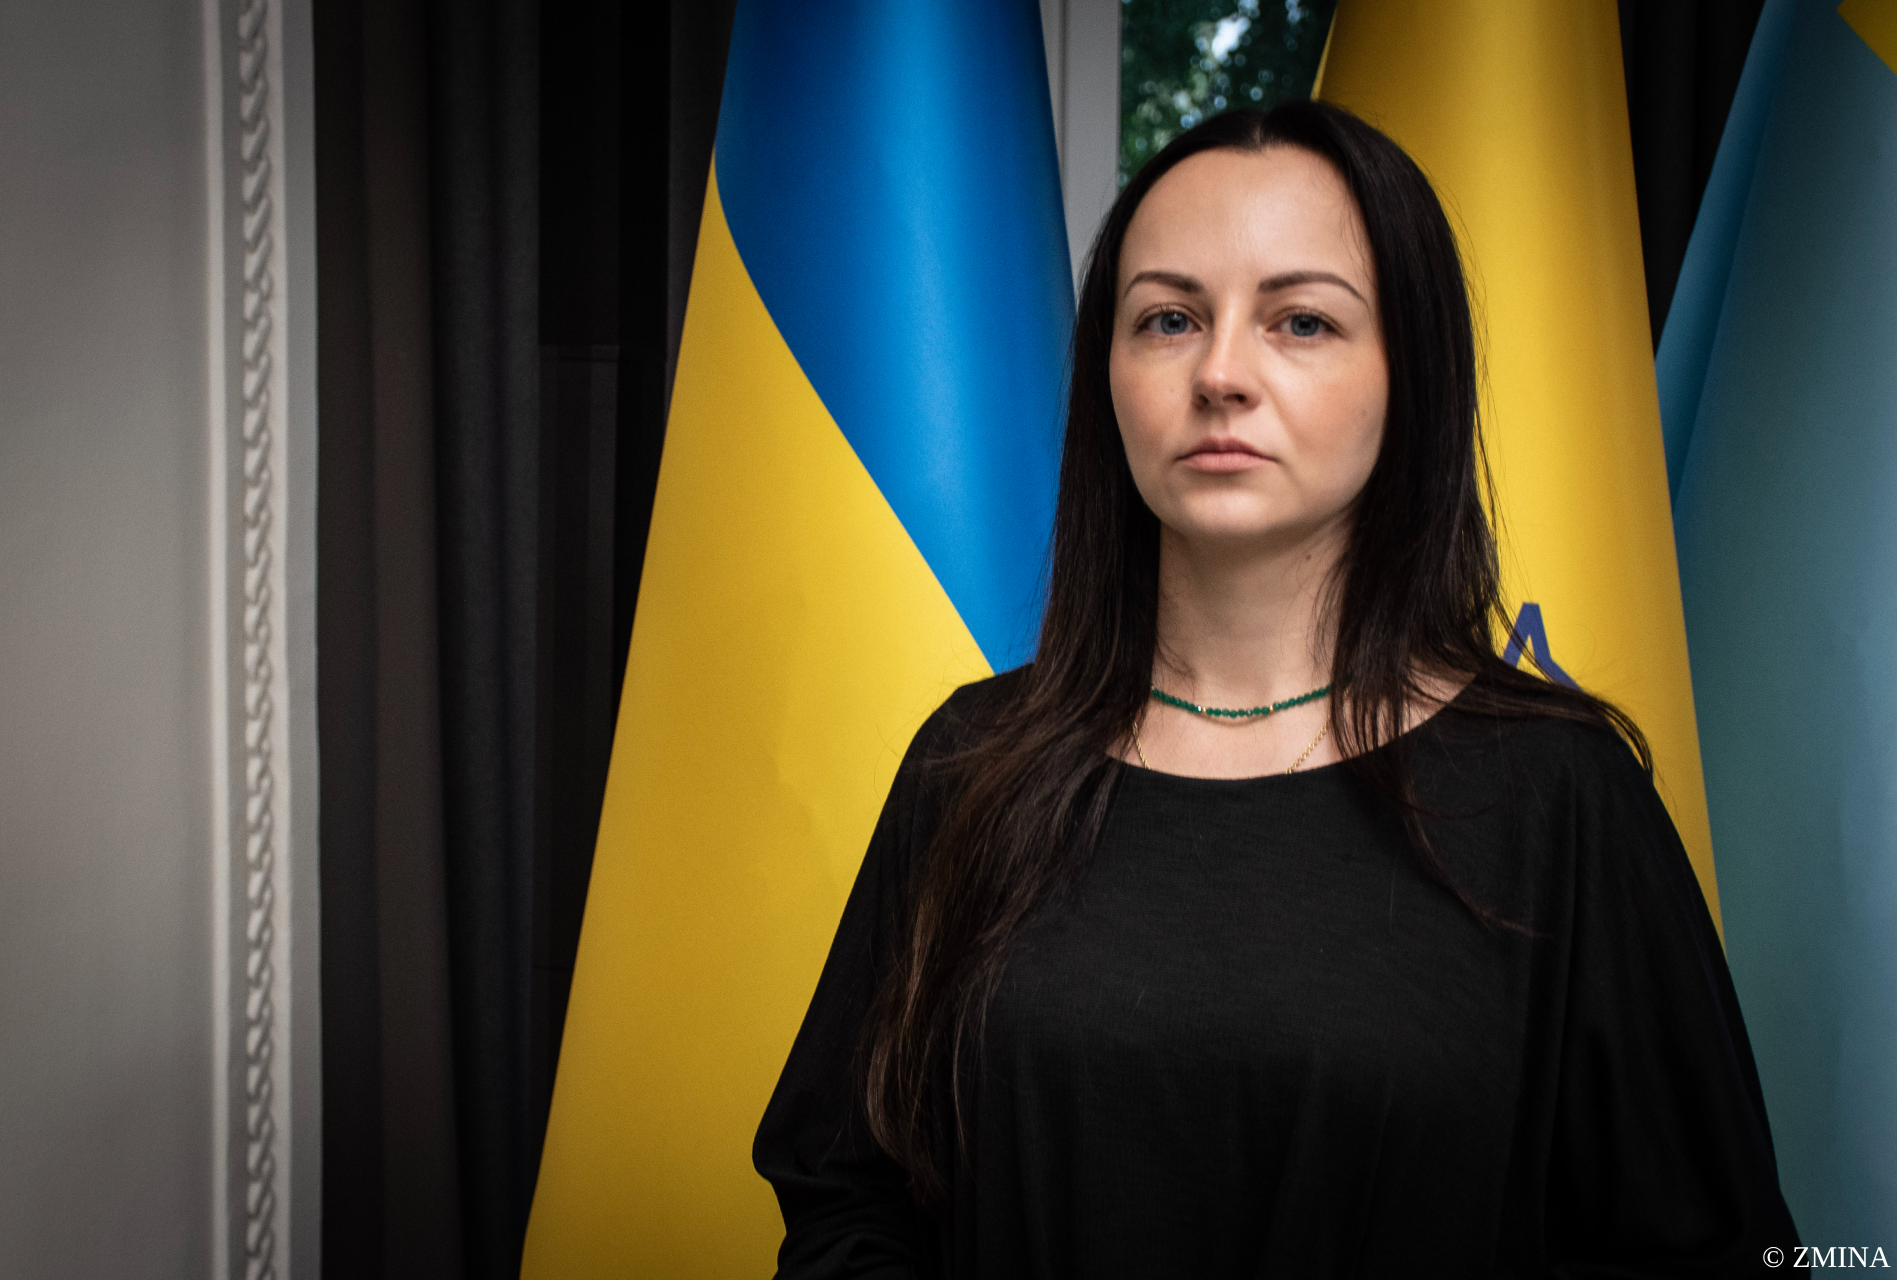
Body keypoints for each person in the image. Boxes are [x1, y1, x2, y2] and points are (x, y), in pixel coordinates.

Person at [753, 100, 1798, 1277]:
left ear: (1414, 374)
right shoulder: (970, 765)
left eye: (1301, 320)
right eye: (1166, 318)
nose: (1220, 373)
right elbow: (849, 1193)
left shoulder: (1564, 797)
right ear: (1107, 375)